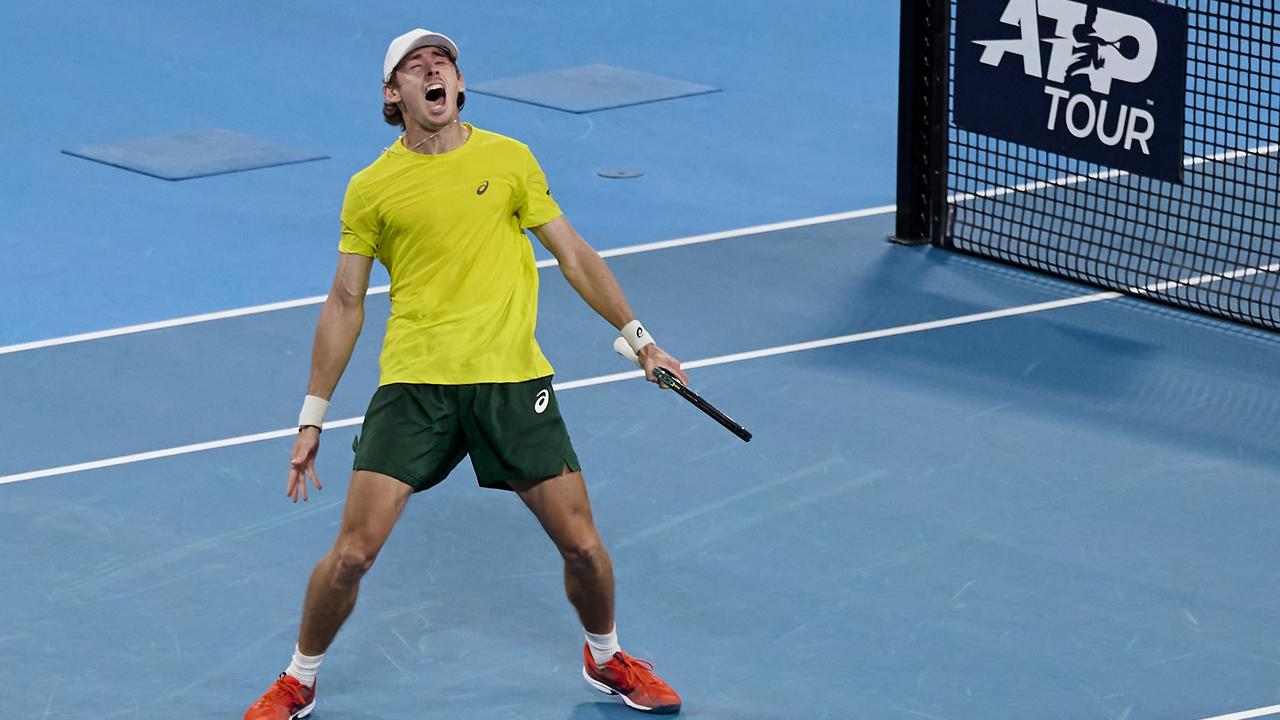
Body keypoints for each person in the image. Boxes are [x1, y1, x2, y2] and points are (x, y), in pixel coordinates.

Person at [243, 28, 687, 720]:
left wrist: (640, 339)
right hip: (416, 387)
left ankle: (606, 660)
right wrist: (312, 414)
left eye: (442, 61)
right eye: (415, 66)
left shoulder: (509, 159)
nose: (432, 71)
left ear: (459, 83)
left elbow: (573, 253)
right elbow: (345, 302)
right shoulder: (372, 188)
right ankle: (299, 678)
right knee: (353, 554)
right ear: (394, 95)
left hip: (512, 382)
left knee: (585, 549)